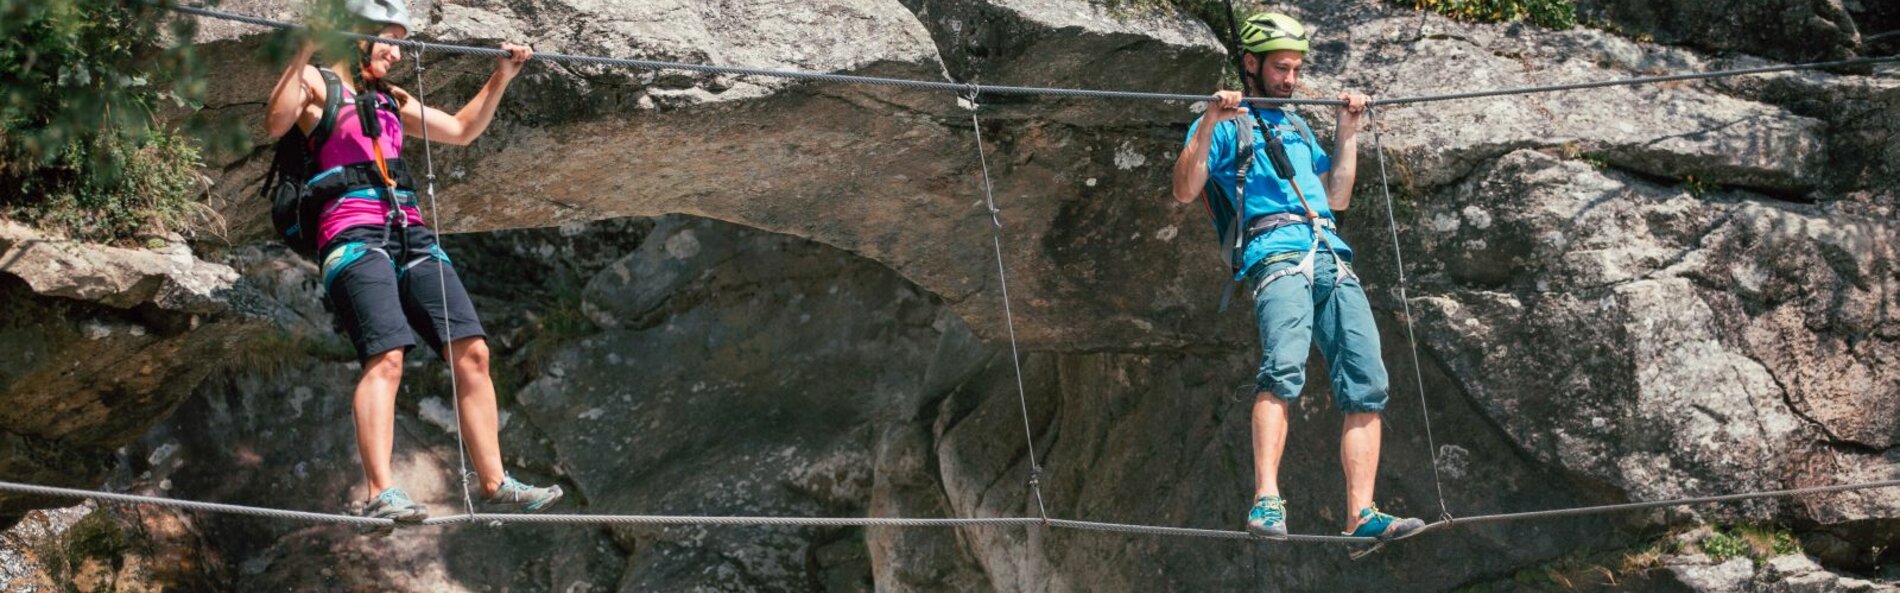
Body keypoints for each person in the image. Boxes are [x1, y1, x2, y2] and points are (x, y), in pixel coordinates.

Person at [263, 0, 561, 523]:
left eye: (401, 42)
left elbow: (462, 130)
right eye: (387, 41)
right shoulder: (317, 85)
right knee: (389, 356)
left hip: (412, 236)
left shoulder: (389, 99)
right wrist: (305, 49)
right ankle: (381, 490)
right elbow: (276, 120)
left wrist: (502, 76)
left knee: (473, 353)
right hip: (351, 236)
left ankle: (495, 482)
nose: (397, 54)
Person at [1169, 11, 1424, 541]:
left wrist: (1347, 133)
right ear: (1251, 64)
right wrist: (1212, 120)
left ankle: (1362, 516)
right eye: (1281, 68)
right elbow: (1185, 190)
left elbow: (1336, 197)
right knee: (1283, 369)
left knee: (1369, 384)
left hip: (1331, 250)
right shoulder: (1222, 124)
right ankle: (1266, 501)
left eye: (1296, 69)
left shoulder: (1298, 124)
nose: (1290, 79)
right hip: (1275, 252)